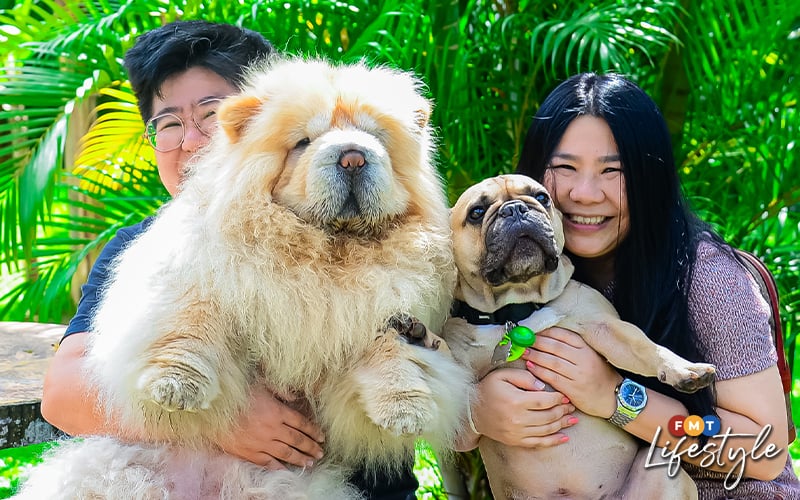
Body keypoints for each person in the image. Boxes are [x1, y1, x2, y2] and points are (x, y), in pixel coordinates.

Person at [39, 20, 419, 500]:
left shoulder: (406, 238)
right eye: (170, 123)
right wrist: (219, 419)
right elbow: (64, 394)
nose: (192, 141)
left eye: (212, 116)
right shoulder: (143, 243)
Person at [464, 72, 800, 498]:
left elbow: (765, 450)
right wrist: (479, 413)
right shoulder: (527, 285)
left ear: (649, 180)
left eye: (613, 171)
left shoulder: (710, 283)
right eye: (565, 168)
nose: (584, 193)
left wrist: (617, 398)